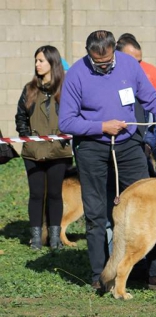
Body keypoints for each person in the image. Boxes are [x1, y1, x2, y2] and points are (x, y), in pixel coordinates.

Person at [58, 30, 156, 291]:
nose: (104, 66)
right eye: (98, 63)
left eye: (108, 61)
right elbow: (66, 120)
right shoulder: (76, 74)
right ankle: (100, 275)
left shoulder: (129, 65)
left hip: (129, 147)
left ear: (114, 52)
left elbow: (152, 99)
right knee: (97, 212)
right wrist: (101, 126)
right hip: (92, 148)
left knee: (151, 206)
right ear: (89, 55)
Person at [15, 45, 73, 251]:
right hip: (33, 152)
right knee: (36, 194)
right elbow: (20, 117)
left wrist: (65, 140)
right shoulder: (29, 89)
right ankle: (36, 238)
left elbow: (74, 115)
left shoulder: (66, 89)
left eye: (41, 61)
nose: (37, 65)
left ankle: (55, 238)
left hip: (58, 151)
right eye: (36, 61)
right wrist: (27, 136)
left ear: (52, 63)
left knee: (56, 194)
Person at [116, 33, 156, 177]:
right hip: (116, 142)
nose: (138, 67)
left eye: (140, 62)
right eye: (133, 61)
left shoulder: (144, 74)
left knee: (147, 173)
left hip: (144, 131)